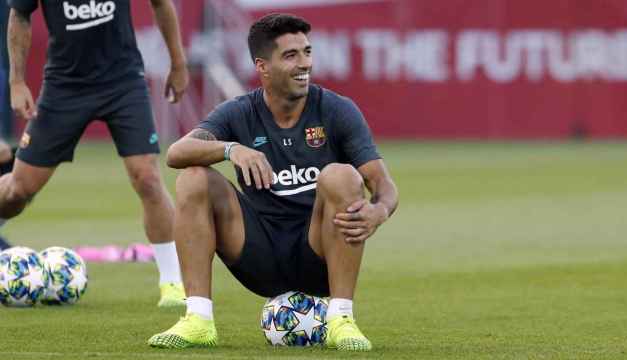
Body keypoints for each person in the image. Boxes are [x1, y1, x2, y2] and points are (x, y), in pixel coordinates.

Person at [148, 13, 399, 351]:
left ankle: (341, 319)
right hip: (258, 254)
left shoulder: (337, 110)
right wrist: (230, 149)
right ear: (263, 67)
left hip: (319, 255)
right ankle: (198, 319)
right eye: (291, 55)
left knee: (341, 175)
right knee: (193, 178)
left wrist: (379, 211)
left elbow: (383, 185)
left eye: (307, 52)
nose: (304, 64)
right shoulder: (239, 112)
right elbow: (177, 152)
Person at [4, 0, 189, 307]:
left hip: (123, 83)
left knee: (147, 177)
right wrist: (17, 81)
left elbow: (161, 3)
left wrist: (178, 63)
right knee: (18, 191)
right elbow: (19, 15)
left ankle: (172, 283)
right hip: (64, 87)